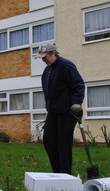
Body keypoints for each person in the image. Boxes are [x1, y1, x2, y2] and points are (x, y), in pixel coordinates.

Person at [36, 42, 85, 174]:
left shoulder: (66, 65)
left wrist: (76, 102)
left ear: (53, 53)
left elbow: (79, 84)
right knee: (48, 140)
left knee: (64, 143)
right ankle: (57, 171)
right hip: (53, 111)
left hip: (67, 111)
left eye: (46, 57)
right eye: (42, 58)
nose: (44, 60)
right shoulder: (47, 70)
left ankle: (65, 173)